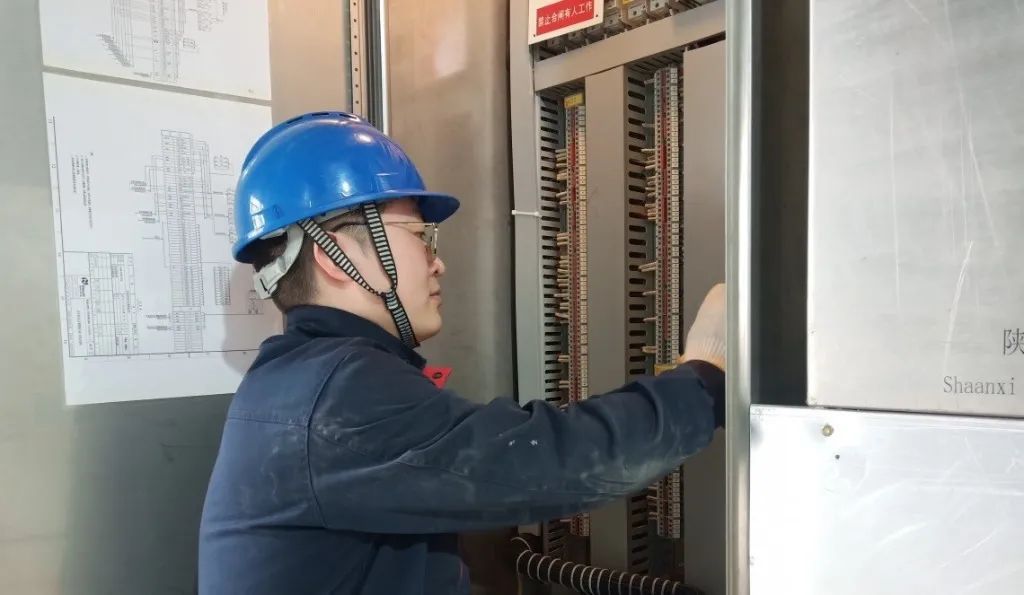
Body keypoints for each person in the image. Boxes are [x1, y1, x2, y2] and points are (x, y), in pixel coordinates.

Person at [198, 112, 727, 594]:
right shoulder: (337, 393)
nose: (437, 262)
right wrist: (705, 378)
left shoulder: (297, 383)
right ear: (334, 256)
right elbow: (545, 462)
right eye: (419, 234)